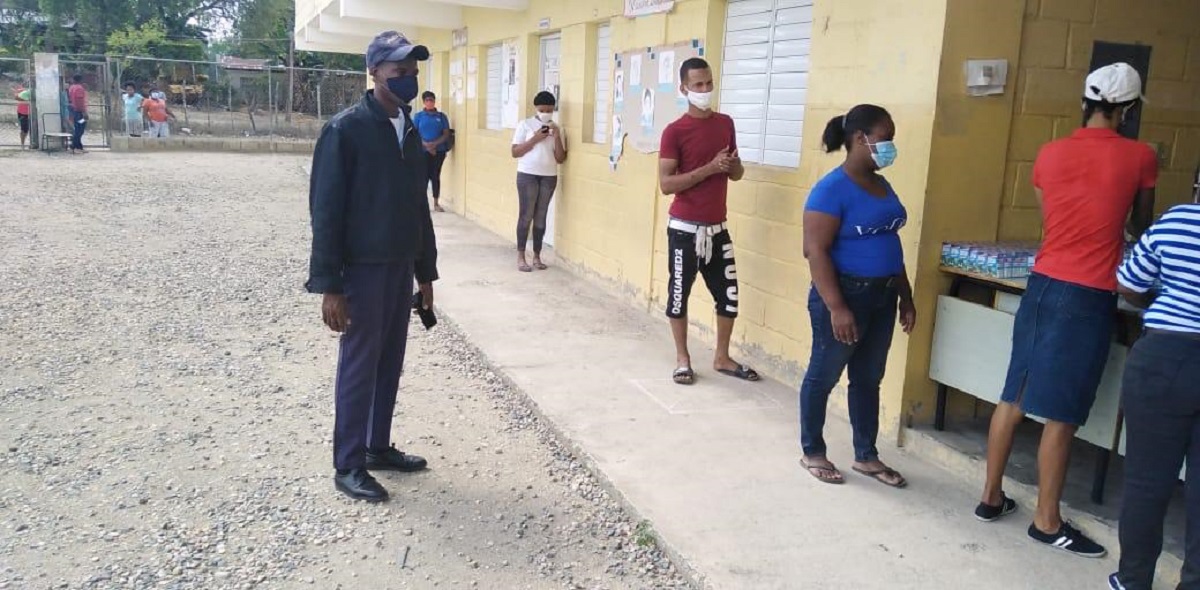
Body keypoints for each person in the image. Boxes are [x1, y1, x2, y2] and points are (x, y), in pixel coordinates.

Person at [976, 62, 1157, 558]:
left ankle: (991, 498)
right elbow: (1141, 226)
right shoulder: (1141, 156)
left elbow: (1051, 212)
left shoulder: (1050, 152)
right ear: (1128, 110)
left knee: (1013, 394)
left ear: (1086, 101)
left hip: (1042, 283)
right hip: (1088, 294)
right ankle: (1046, 520)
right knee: (1062, 414)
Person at [307, 30, 438, 503]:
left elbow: (418, 209)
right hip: (361, 269)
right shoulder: (346, 130)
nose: (407, 78)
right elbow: (325, 210)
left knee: (389, 362)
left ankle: (378, 446)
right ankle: (348, 463)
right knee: (360, 365)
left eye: (413, 71)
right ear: (375, 72)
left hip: (399, 265)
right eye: (398, 71)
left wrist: (426, 274)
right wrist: (330, 285)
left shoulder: (409, 130)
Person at [798, 105, 915, 488]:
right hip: (846, 296)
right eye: (885, 137)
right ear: (859, 138)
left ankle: (866, 456)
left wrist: (905, 296)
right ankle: (813, 450)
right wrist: (837, 307)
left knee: (868, 378)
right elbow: (815, 251)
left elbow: (890, 243)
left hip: (882, 297)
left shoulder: (881, 184)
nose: (890, 146)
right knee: (824, 374)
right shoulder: (831, 189)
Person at [1110, 203, 1200, 589]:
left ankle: (1133, 581)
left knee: (1148, 481)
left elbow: (1129, 283)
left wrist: (1161, 304)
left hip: (1165, 357)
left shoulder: (1179, 220)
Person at [658, 57, 757, 386]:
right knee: (678, 295)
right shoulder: (674, 131)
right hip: (684, 230)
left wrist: (732, 166)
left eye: (709, 83)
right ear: (684, 88)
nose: (705, 90)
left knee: (728, 296)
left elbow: (737, 173)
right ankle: (682, 358)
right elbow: (666, 184)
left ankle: (722, 357)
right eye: (698, 85)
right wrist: (709, 169)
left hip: (718, 229)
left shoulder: (725, 123)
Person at [510, 90, 567, 272]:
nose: (546, 113)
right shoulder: (525, 125)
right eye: (543, 110)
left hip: (548, 176)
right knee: (526, 215)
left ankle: (536, 255)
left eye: (550, 110)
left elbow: (560, 158)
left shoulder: (557, 128)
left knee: (541, 216)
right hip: (527, 174)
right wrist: (535, 138)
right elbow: (515, 152)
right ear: (536, 108)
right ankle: (520, 256)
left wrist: (556, 137)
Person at [413, 91, 450, 212]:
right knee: (423, 177)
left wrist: (434, 144)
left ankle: (436, 202)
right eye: (427, 100)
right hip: (423, 151)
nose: (430, 102)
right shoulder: (419, 116)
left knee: (435, 176)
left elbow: (446, 134)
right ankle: (422, 204)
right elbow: (414, 133)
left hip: (438, 151)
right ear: (423, 102)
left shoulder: (441, 117)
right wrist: (426, 145)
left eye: (432, 100)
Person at [66, 74, 88, 154]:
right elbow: (80, 101)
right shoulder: (79, 88)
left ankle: (79, 146)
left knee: (77, 129)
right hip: (80, 112)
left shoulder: (71, 87)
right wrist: (84, 112)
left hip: (74, 111)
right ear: (81, 80)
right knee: (80, 130)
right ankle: (74, 147)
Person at [14, 84, 30, 149]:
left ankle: (23, 144)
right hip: (22, 112)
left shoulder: (25, 92)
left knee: (26, 129)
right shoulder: (25, 92)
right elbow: (16, 97)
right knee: (24, 129)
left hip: (27, 112)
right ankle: (22, 144)